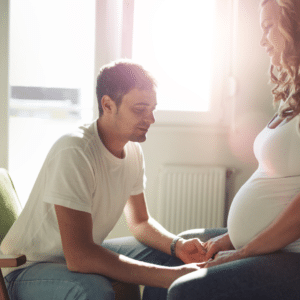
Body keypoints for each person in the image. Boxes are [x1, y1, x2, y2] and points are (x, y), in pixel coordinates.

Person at [0, 60, 206, 300]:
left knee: (168, 258)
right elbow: (80, 256)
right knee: (92, 289)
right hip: (27, 269)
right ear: (107, 104)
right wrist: (165, 276)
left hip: (74, 256)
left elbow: (140, 222)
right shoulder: (75, 151)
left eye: (152, 109)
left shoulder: (133, 150)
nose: (150, 119)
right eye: (139, 110)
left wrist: (177, 245)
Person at [145, 0, 300, 299]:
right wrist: (230, 239)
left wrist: (243, 251)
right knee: (170, 258)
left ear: (294, 26)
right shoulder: (291, 98)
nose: (262, 39)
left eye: (269, 26)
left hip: (291, 254)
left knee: (183, 291)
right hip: (266, 246)